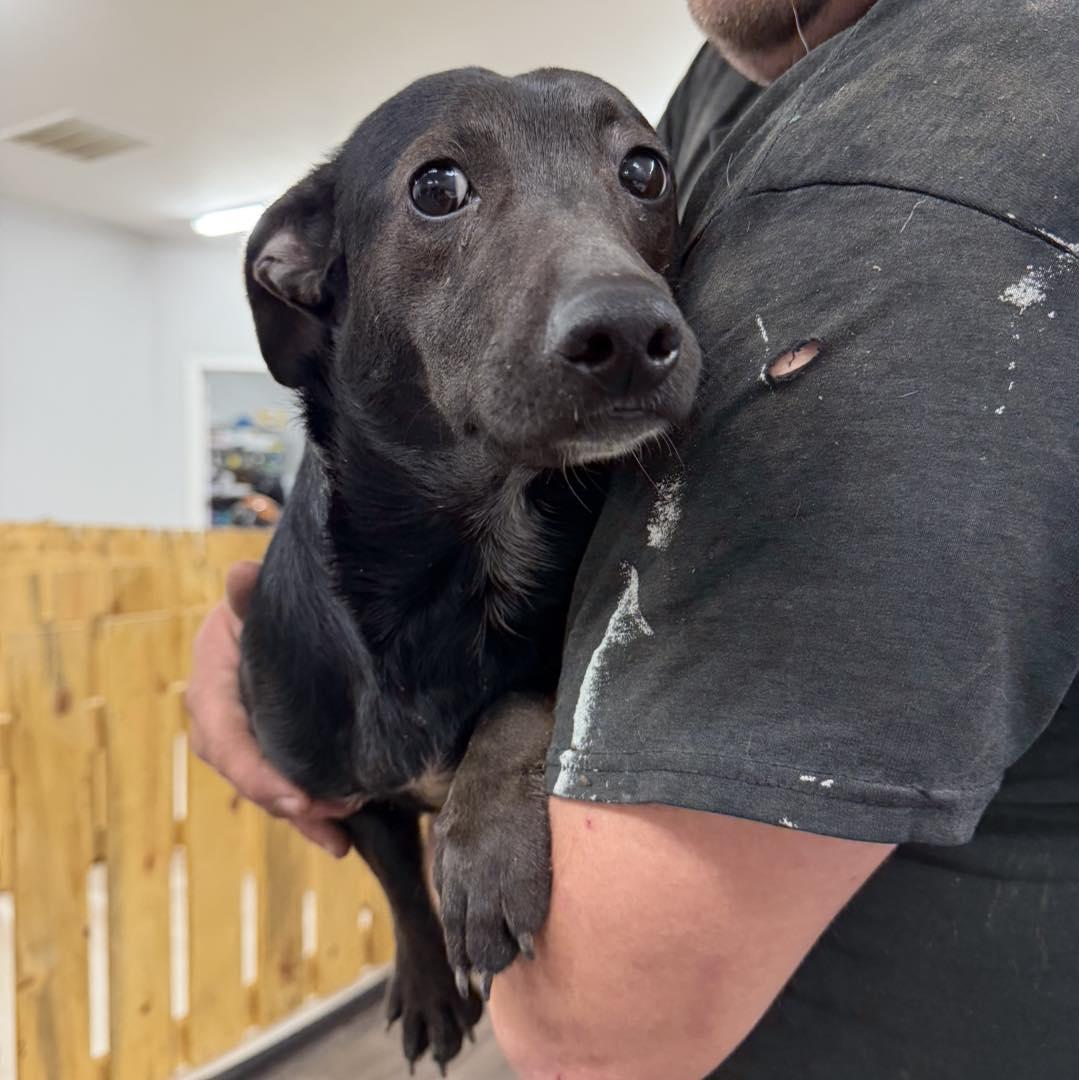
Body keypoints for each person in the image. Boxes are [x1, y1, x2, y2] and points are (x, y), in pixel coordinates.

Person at [185, 0, 1079, 1075]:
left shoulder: (948, 126)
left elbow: (588, 1038)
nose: (620, 292)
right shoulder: (718, 90)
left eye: (637, 180)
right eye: (441, 189)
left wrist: (512, 739)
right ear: (302, 283)